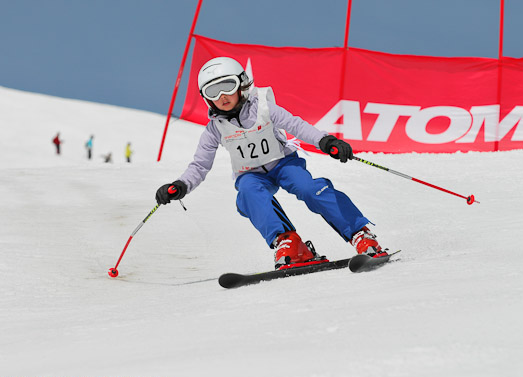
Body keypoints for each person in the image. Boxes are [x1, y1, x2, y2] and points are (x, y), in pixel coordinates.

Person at [155, 57, 387, 268]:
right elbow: (200, 165)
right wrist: (181, 185)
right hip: (251, 175)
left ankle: (360, 234)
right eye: (213, 92)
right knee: (247, 193)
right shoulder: (215, 128)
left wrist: (326, 141)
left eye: (227, 86)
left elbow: (297, 125)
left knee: (309, 188)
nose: (222, 96)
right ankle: (290, 244)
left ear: (242, 84)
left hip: (284, 164)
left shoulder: (264, 108)